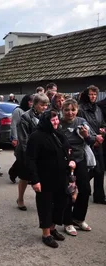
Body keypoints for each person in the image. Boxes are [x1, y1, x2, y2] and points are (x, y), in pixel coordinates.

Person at [27, 110, 75, 248]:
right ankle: (46, 234)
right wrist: (35, 180)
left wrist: (71, 160)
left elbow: (68, 150)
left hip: (61, 176)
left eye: (57, 119)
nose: (56, 122)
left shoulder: (58, 133)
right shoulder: (36, 136)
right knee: (46, 206)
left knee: (61, 203)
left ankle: (53, 228)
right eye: (53, 120)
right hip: (45, 178)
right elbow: (30, 160)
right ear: (46, 121)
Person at [60, 99, 94, 235]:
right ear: (62, 111)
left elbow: (91, 139)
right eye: (67, 110)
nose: (70, 113)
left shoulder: (81, 122)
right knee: (68, 191)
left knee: (85, 189)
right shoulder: (58, 123)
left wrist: (86, 136)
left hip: (80, 160)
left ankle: (78, 218)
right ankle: (67, 222)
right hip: (64, 161)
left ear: (77, 110)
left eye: (72, 110)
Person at [16, 93, 49, 210]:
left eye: (46, 105)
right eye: (42, 105)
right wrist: (29, 155)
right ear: (35, 104)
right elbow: (23, 139)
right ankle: (20, 199)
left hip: (42, 152)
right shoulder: (25, 117)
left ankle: (42, 201)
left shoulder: (46, 116)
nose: (45, 107)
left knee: (41, 177)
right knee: (25, 176)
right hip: (26, 152)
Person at [78, 85, 106, 204]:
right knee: (90, 170)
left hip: (98, 143)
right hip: (87, 143)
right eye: (91, 94)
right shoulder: (80, 109)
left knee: (99, 170)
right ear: (86, 95)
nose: (93, 96)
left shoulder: (97, 109)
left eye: (95, 94)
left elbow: (102, 123)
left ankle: (99, 197)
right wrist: (93, 138)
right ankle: (76, 187)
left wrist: (103, 130)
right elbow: (80, 126)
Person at [8, 94, 33, 183]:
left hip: (29, 137)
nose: (32, 103)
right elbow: (13, 125)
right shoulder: (18, 111)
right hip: (20, 137)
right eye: (30, 101)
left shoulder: (31, 112)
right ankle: (13, 172)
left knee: (26, 158)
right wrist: (14, 138)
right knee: (21, 158)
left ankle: (28, 176)